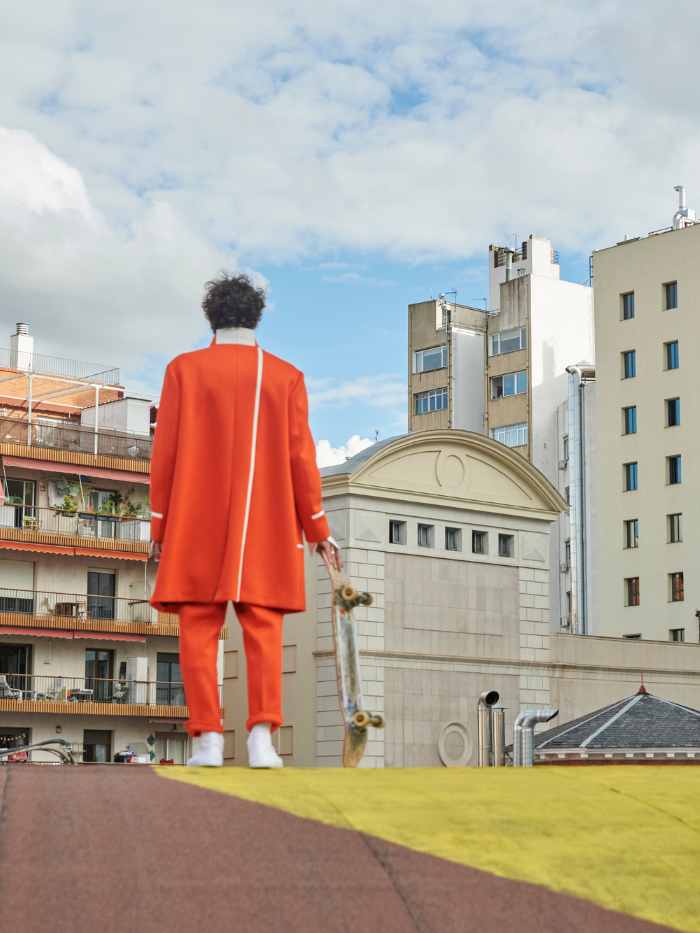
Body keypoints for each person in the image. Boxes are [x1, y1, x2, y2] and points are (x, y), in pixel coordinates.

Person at [149, 273, 342, 768]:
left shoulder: (182, 370)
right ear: (256, 316)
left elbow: (164, 456)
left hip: (195, 523)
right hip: (267, 525)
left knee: (196, 632)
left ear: (210, 316)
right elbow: (303, 460)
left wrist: (159, 528)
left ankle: (207, 743)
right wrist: (319, 529)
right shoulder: (286, 376)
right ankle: (261, 740)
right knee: (263, 633)